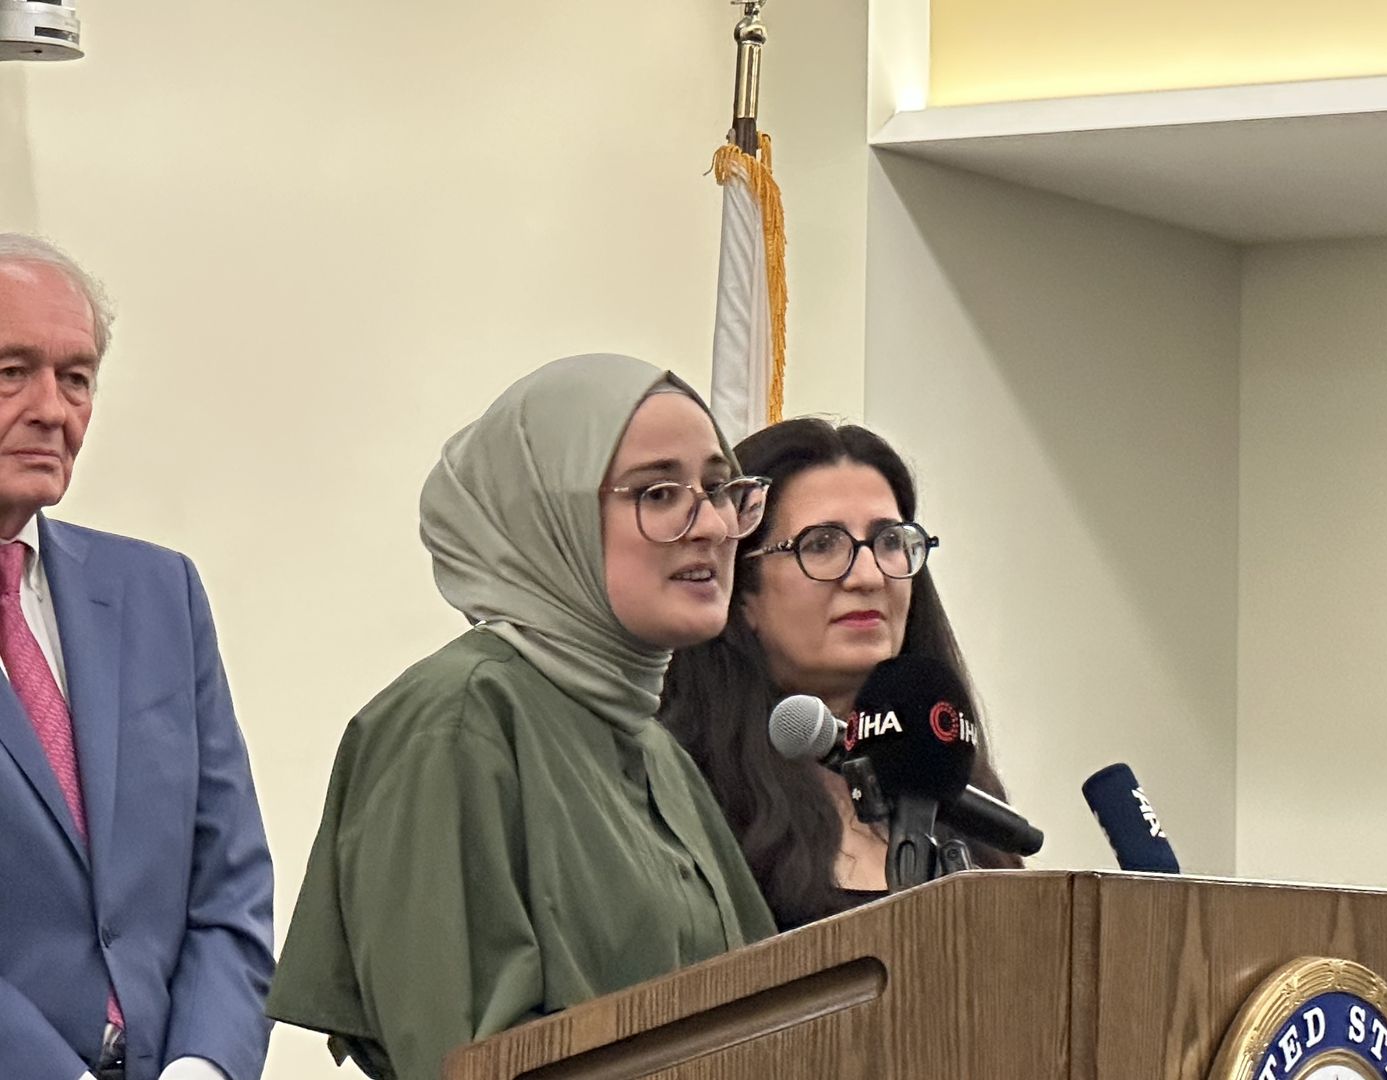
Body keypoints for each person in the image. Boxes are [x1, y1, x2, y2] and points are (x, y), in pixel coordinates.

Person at [266, 354, 778, 1080]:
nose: (715, 526)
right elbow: (470, 1056)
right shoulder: (455, 720)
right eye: (661, 493)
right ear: (547, 512)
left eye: (722, 490)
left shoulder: (652, 746)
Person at [0, 235, 275, 1080]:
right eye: (13, 371)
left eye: (76, 377)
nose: (54, 408)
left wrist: (206, 1065)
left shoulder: (162, 595)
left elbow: (230, 888)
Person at [662, 418, 1019, 932]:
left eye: (890, 541)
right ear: (742, 593)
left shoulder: (958, 796)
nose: (869, 575)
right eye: (822, 544)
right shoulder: (688, 797)